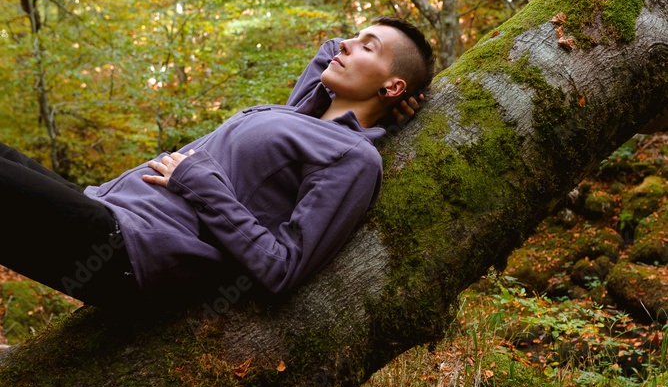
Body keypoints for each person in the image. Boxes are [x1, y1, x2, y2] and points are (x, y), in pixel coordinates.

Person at [0, 16, 434, 309]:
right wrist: (384, 101)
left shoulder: (355, 159)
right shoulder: (300, 116)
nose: (345, 44)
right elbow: (328, 54)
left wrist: (198, 182)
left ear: (393, 85)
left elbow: (284, 270)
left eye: (366, 46)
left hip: (130, 247)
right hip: (107, 206)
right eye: (353, 37)